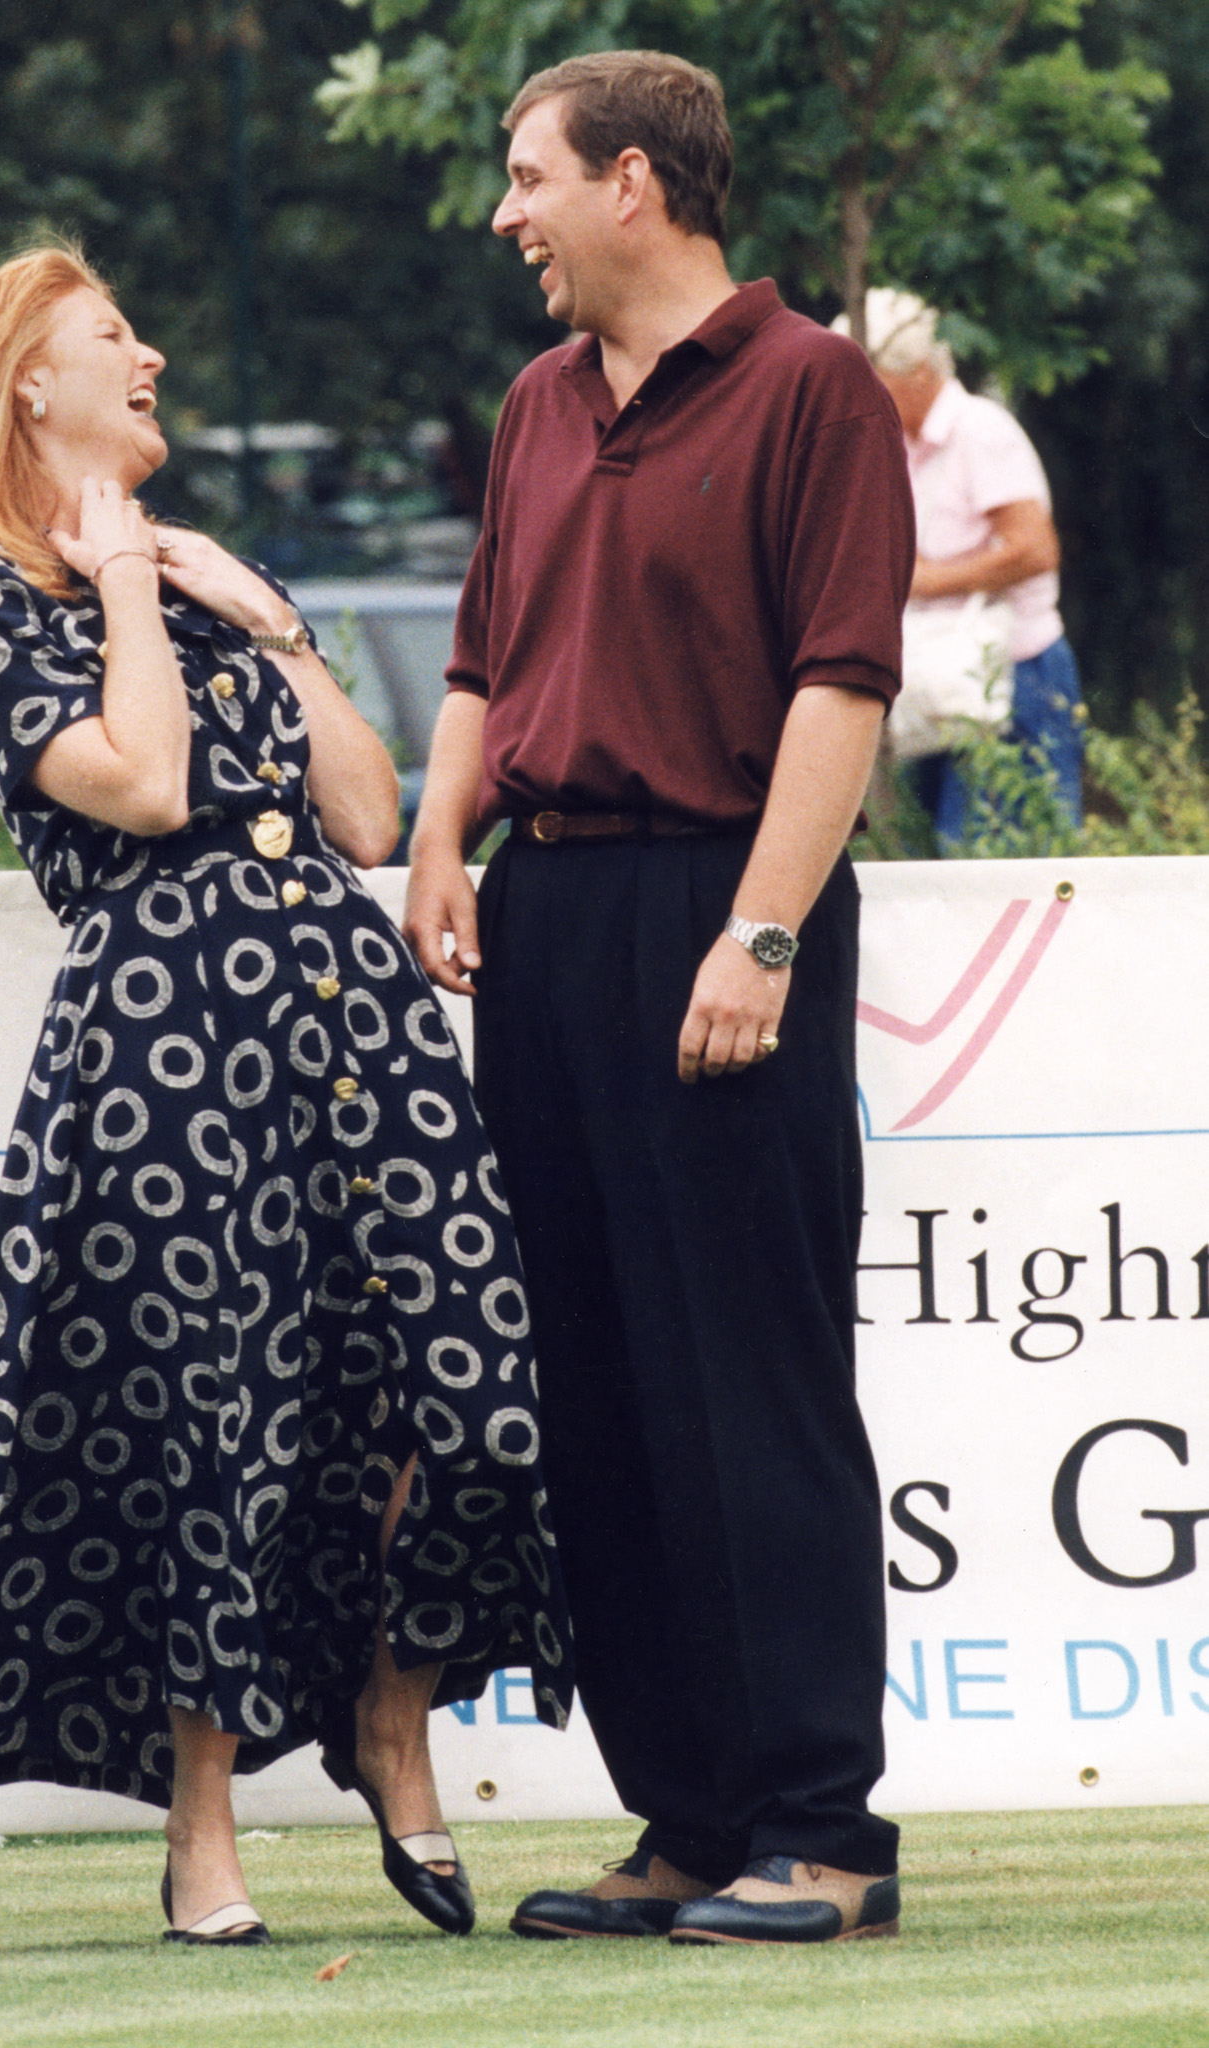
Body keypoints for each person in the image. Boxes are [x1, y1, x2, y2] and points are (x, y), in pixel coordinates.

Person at [0, 245, 572, 1946]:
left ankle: (390, 1714)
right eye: (116, 337)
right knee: (222, 1428)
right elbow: (149, 783)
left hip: (351, 1014)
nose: (154, 354)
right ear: (29, 385)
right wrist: (117, 586)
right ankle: (204, 1832)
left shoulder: (196, 573)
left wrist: (274, 623)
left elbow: (361, 811)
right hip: (169, 1040)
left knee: (472, 1396)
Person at [405, 52, 911, 1946]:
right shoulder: (539, 402)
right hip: (547, 915)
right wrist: (443, 841)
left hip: (724, 899)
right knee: (601, 1382)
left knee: (748, 1380)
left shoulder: (812, 388)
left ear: (636, 183)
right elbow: (482, 654)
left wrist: (762, 935)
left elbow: (840, 685)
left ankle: (822, 1832)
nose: (505, 215)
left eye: (528, 179)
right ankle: (689, 1819)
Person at [848, 287, 1084, 843]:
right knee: (936, 869)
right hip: (938, 687)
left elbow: (1034, 548)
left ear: (915, 372)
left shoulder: (980, 430)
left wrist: (924, 578)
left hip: (1012, 678)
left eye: (868, 379)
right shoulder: (895, 447)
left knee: (1001, 866)